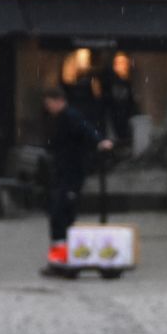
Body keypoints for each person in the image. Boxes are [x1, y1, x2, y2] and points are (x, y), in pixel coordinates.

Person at [41, 88, 113, 247]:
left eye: (49, 103)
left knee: (62, 209)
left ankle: (63, 246)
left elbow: (86, 129)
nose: (48, 108)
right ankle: (64, 245)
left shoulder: (69, 116)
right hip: (66, 169)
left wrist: (99, 141)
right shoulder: (63, 118)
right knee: (63, 209)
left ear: (58, 101)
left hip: (70, 170)